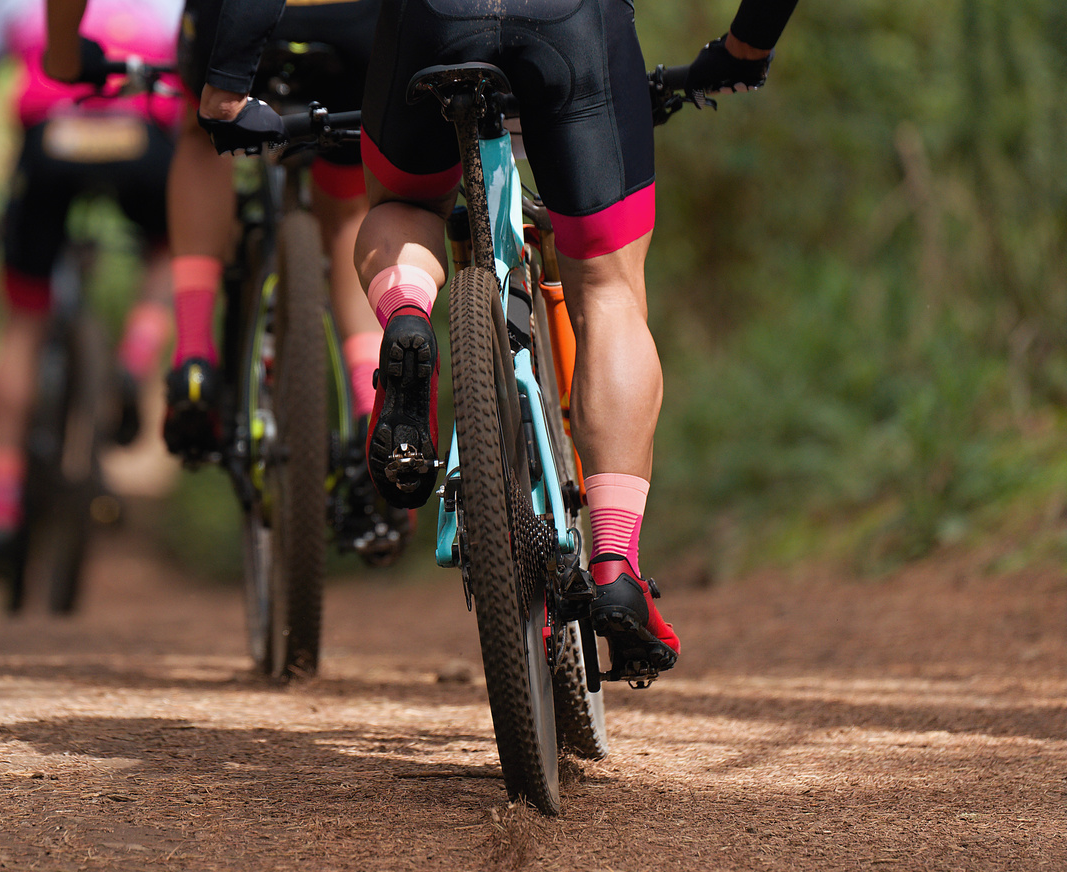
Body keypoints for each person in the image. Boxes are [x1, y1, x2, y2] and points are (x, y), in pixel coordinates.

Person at [195, 0, 798, 680]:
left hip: (430, 22)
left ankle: (408, 313)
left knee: (405, 206)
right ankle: (613, 562)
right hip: (573, 24)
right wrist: (745, 48)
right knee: (606, 290)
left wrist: (224, 89)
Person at [45, 0, 385, 468]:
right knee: (349, 209)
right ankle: (371, 401)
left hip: (231, 24)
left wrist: (62, 53)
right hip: (356, 22)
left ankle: (193, 356)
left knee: (200, 136)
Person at [0, 0, 186, 576]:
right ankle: (133, 358)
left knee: (24, 321)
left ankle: (1, 503)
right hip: (144, 141)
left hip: (51, 143)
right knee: (169, 248)